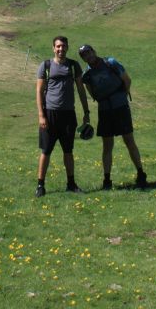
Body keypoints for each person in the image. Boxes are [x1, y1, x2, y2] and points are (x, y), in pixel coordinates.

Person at [78, 44, 147, 190]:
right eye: (84, 55)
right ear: (83, 59)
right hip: (105, 111)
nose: (88, 56)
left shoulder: (111, 63)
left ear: (94, 51)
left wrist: (122, 95)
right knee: (107, 145)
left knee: (129, 140)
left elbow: (127, 80)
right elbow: (93, 95)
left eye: (89, 52)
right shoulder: (87, 75)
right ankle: (107, 180)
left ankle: (141, 174)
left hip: (120, 107)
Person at [35, 36, 91, 197]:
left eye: (63, 46)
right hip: (50, 114)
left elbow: (81, 90)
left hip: (68, 115)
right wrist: (41, 116)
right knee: (46, 151)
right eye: (58, 46)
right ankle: (40, 185)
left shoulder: (74, 66)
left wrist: (86, 112)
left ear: (67, 48)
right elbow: (39, 91)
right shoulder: (45, 66)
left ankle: (71, 184)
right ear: (54, 48)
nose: (61, 49)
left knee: (68, 151)